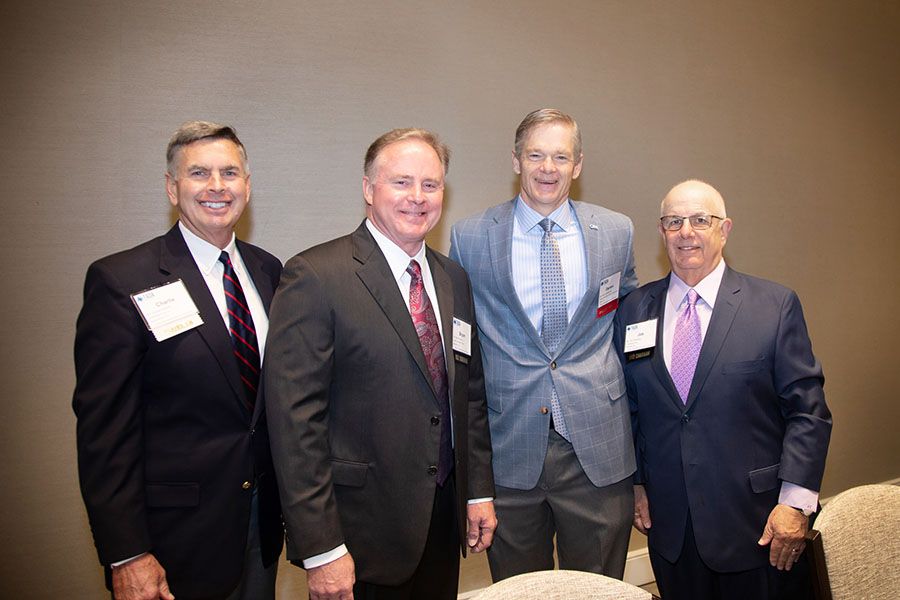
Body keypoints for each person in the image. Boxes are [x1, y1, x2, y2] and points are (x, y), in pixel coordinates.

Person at [265, 128, 496, 600]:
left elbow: (468, 397)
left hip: (440, 523)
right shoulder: (316, 275)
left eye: (430, 185)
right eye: (401, 182)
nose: (417, 197)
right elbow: (294, 424)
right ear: (369, 189)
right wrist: (322, 548)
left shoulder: (453, 278)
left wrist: (477, 491)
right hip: (357, 535)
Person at [73, 121, 283, 600]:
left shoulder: (269, 271)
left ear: (247, 186)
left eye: (229, 173)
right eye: (199, 173)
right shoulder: (123, 279)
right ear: (172, 188)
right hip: (172, 541)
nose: (217, 186)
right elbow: (104, 432)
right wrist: (127, 552)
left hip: (260, 527)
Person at [618, 179, 832, 600]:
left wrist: (795, 502)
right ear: (661, 232)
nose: (686, 232)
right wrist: (637, 483)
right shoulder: (634, 310)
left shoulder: (773, 305)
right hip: (672, 530)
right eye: (673, 221)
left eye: (700, 220)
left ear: (725, 229)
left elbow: (808, 412)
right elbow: (631, 407)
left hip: (758, 526)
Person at [449, 108, 638, 581]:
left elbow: (627, 323)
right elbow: (461, 349)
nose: (547, 168)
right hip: (509, 446)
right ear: (516, 160)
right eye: (535, 155)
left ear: (578, 165)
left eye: (560, 156)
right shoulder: (470, 236)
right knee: (520, 587)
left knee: (597, 587)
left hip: (596, 447)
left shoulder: (616, 231)